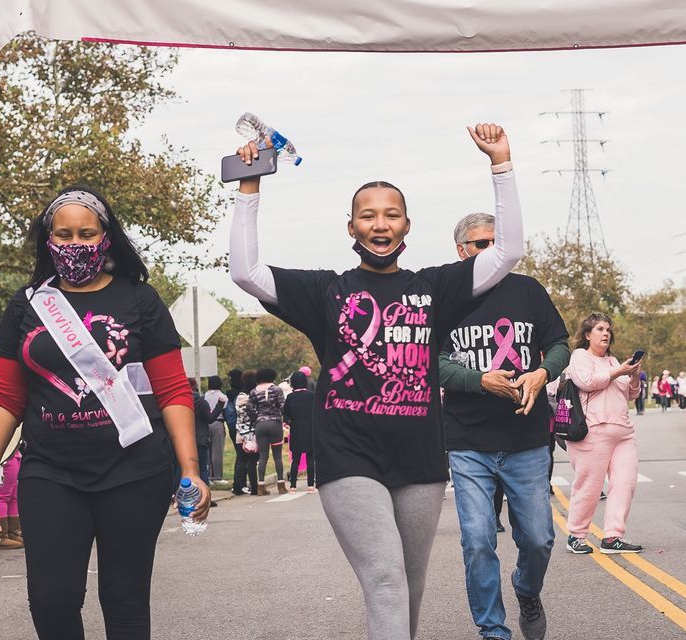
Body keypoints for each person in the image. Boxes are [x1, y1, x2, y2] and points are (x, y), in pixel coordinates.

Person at [229, 123, 523, 640]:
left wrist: (500, 164)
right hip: (349, 457)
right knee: (385, 581)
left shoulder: (435, 287)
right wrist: (250, 186)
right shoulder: (326, 291)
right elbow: (246, 271)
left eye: (391, 215)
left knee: (408, 586)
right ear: (352, 228)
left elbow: (507, 254)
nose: (380, 224)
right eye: (368, 215)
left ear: (407, 226)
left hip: (419, 459)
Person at [0, 185, 209, 640]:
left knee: (124, 598)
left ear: (106, 237)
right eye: (63, 235)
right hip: (51, 471)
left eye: (86, 233)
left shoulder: (140, 300)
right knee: (51, 598)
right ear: (48, 240)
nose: (74, 244)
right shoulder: (27, 304)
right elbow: (4, 397)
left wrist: (191, 470)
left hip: (136, 470)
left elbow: (173, 389)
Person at [438, 211, 569, 640]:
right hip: (468, 440)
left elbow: (559, 344)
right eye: (481, 244)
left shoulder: (528, 290)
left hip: (527, 438)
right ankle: (493, 631)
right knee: (478, 541)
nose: (492, 250)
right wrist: (478, 380)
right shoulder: (444, 297)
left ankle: (527, 592)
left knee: (538, 539)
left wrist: (543, 373)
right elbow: (431, 363)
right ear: (461, 251)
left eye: (498, 242)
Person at [565, 313, 644, 555]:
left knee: (625, 483)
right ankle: (576, 535)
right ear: (588, 335)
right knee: (589, 486)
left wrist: (632, 376)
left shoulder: (613, 361)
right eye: (599, 329)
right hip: (592, 431)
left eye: (608, 329)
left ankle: (613, 537)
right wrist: (618, 372)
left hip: (622, 432)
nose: (606, 333)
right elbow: (587, 382)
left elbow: (630, 395)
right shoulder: (580, 357)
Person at [245, 368, 287, 495]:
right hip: (275, 423)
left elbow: (249, 408)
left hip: (260, 425)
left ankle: (261, 486)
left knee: (263, 456)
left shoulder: (253, 391)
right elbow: (283, 406)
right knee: (277, 456)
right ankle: (281, 485)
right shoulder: (277, 390)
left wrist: (257, 417)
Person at [283, 370, 315, 492]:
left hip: (296, 429)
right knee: (310, 458)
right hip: (310, 429)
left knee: (295, 459)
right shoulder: (312, 396)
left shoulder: (290, 397)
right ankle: (311, 485)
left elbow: (286, 415)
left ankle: (293, 485)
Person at [230, 370, 259, 495]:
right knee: (252, 460)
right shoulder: (254, 397)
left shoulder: (239, 397)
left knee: (241, 459)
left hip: (240, 431)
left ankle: (237, 486)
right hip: (252, 432)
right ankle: (254, 487)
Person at [204, 375, 229, 481]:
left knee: (208, 451)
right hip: (218, 422)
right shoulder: (223, 396)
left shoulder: (205, 395)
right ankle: (217, 476)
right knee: (217, 451)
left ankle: (209, 474)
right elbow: (225, 410)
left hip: (206, 424)